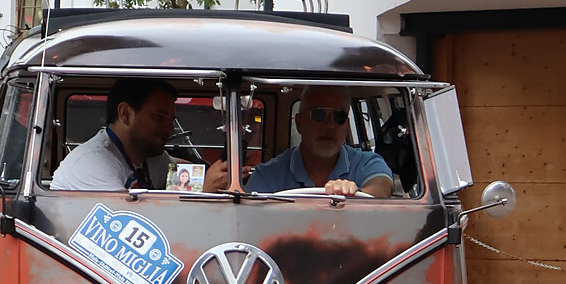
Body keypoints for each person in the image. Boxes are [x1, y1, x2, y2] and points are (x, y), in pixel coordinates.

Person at [204, 86, 393, 198]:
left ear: (346, 125)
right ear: (300, 123)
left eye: (338, 116)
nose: (329, 125)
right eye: (318, 114)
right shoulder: (268, 176)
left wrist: (356, 193)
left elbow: (382, 187)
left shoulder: (367, 163)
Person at [50, 80, 178, 191]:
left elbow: (182, 170)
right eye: (159, 117)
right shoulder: (94, 163)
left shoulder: (147, 154)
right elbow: (126, 216)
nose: (170, 128)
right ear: (126, 114)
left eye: (171, 120)